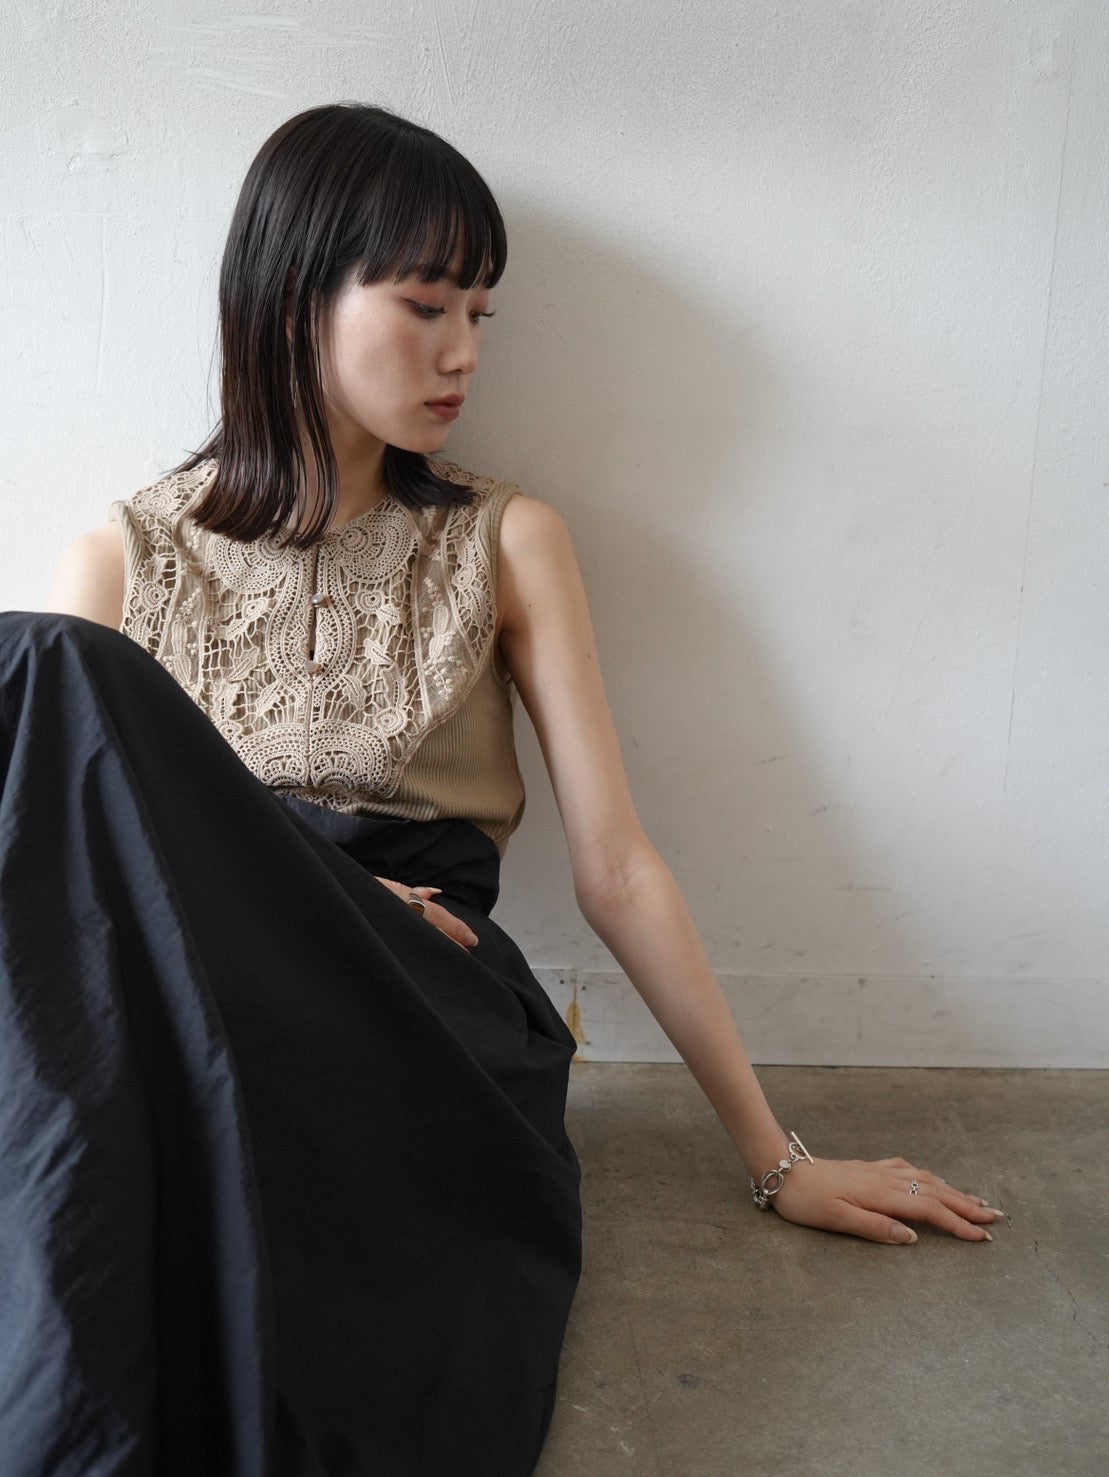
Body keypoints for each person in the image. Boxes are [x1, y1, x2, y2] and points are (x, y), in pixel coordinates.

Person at [1, 102, 1003, 1475]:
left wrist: (778, 1158)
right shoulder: (124, 557)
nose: (465, 351)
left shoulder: (504, 539)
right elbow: (67, 889)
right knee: (46, 679)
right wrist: (313, 889)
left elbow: (616, 865)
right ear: (292, 299)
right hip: (214, 993)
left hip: (425, 995)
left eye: (480, 312)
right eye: (425, 306)